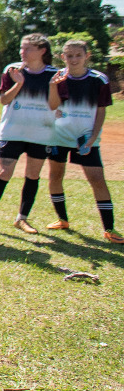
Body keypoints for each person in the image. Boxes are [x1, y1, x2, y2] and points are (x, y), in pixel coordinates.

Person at [45, 40, 121, 243]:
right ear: (63, 57)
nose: (74, 59)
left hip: (86, 138)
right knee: (55, 176)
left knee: (97, 179)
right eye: (69, 55)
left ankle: (109, 228)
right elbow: (52, 106)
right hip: (58, 136)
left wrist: (94, 137)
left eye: (78, 55)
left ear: (87, 56)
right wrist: (53, 86)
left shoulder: (99, 80)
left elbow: (101, 109)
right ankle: (62, 219)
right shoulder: (58, 78)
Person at [0, 34, 57, 235]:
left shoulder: (55, 74)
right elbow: (4, 100)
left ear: (42, 51)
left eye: (28, 49)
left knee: (33, 175)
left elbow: (54, 105)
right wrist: (19, 83)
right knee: (3, 173)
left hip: (41, 133)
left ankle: (22, 219)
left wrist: (52, 86)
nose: (22, 52)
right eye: (22, 49)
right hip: (12, 131)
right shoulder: (12, 70)